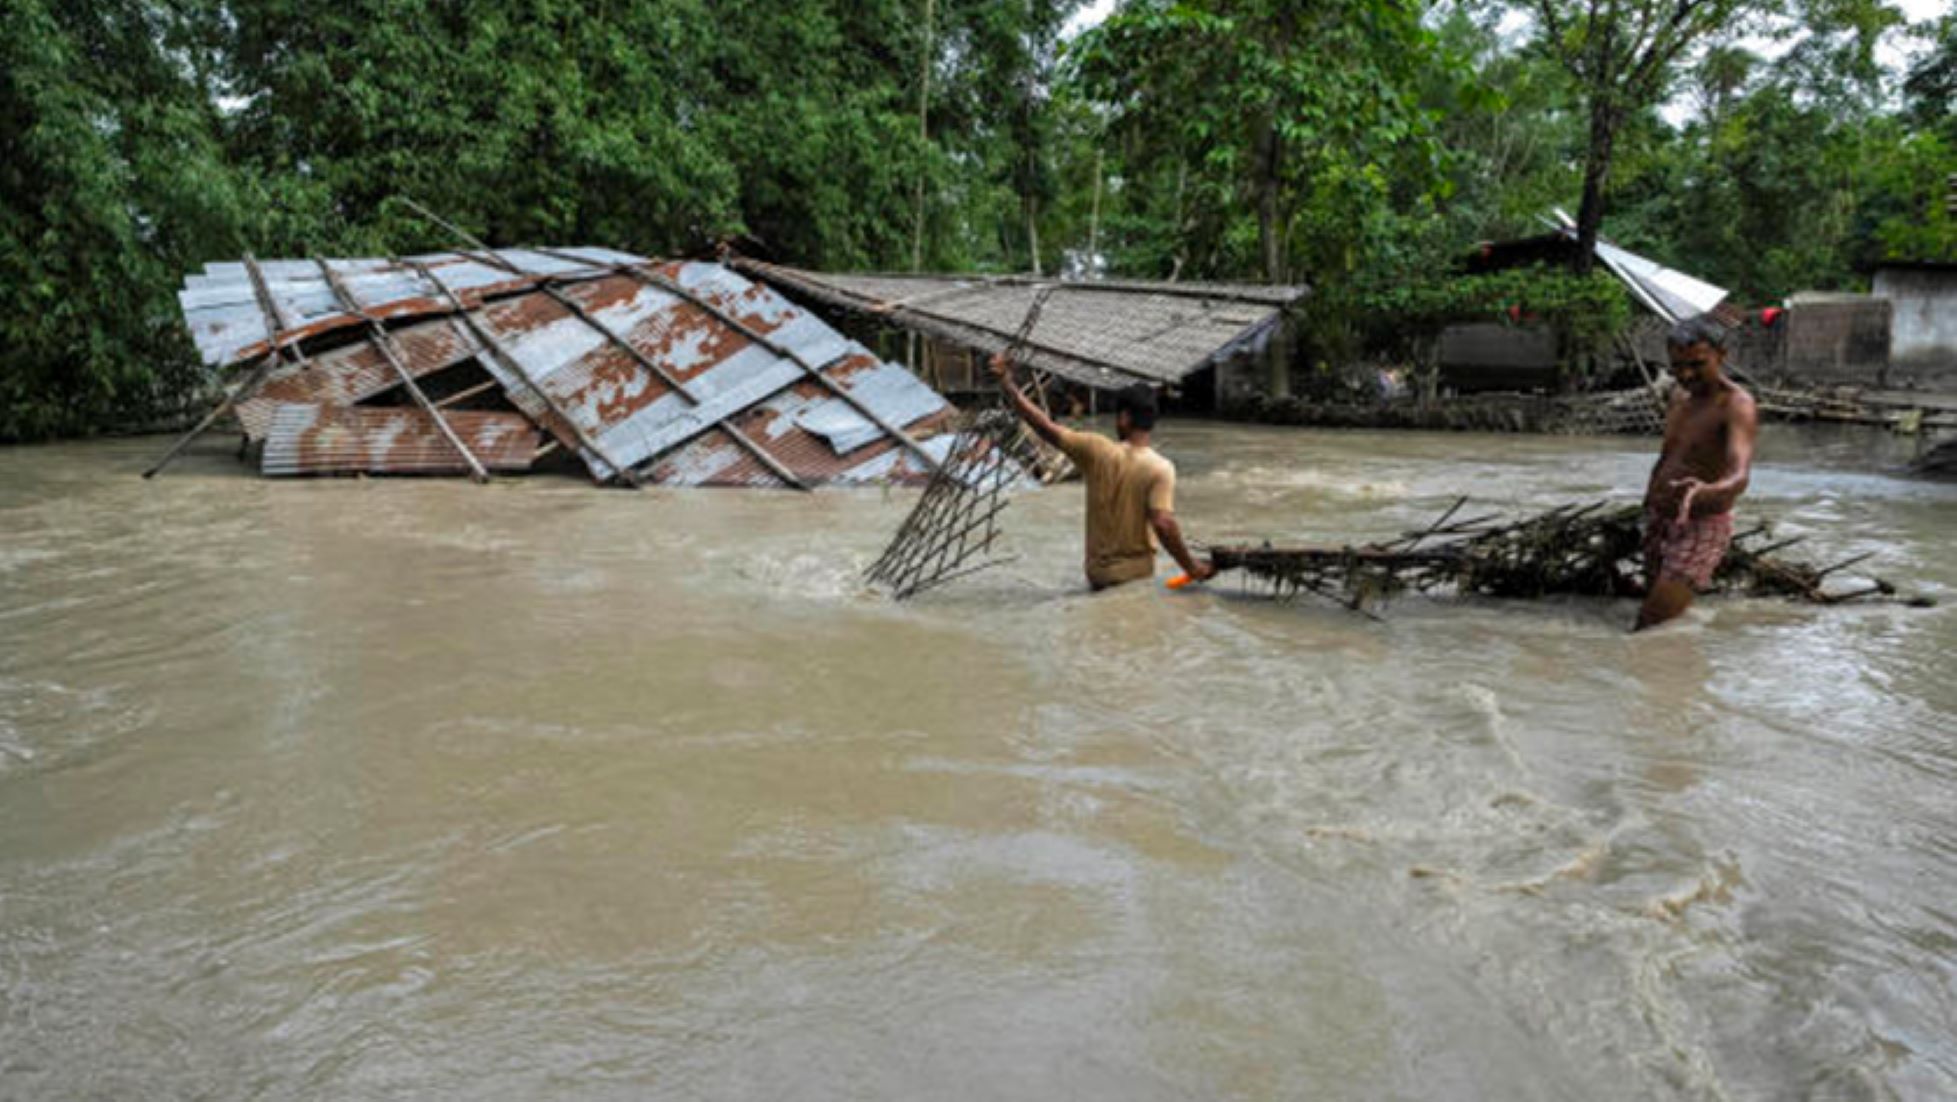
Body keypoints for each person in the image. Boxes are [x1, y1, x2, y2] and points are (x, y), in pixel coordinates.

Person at [990, 352, 1215, 591]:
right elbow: (1163, 524)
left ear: (1124, 418)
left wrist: (1008, 384)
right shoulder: (1161, 468)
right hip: (1137, 580)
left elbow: (1044, 427)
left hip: (1098, 578)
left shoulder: (1096, 449)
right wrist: (1192, 567)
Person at [1636, 314, 1759, 631]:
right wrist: (1649, 503)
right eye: (1677, 366)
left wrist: (1704, 492)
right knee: (1661, 620)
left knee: (1648, 626)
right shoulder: (1679, 396)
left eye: (1697, 364)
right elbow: (1668, 456)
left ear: (1722, 356)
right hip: (1660, 518)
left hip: (1700, 524)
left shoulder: (1736, 405)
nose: (1686, 374)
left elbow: (1739, 475)